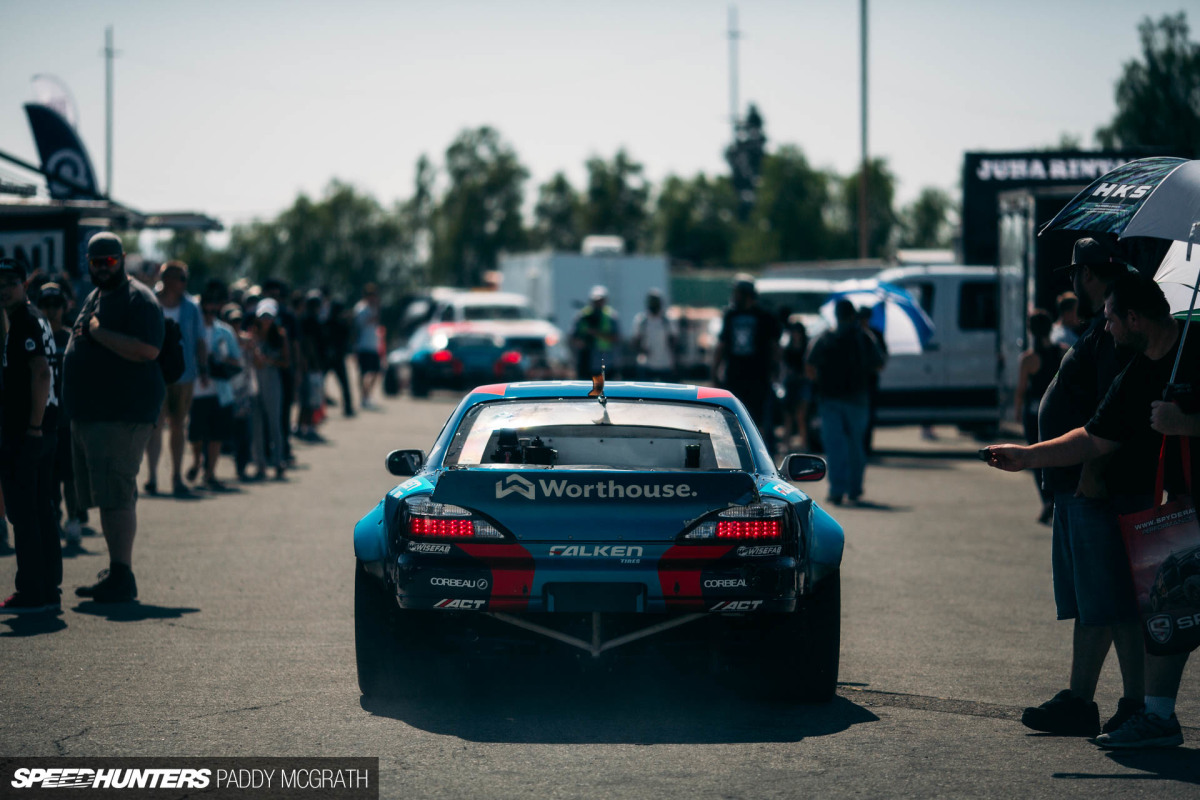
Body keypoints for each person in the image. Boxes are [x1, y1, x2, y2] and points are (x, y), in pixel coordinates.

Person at [986, 271, 1197, 749]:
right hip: (1183, 510)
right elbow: (1094, 437)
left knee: (1170, 612)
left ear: (1135, 317)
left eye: (1112, 320)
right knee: (1170, 613)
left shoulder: (1196, 348)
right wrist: (1027, 455)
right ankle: (1159, 718)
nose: (1107, 330)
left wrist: (1187, 422)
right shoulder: (1143, 366)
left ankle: (1154, 714)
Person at [1013, 239, 1144, 738]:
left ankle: (1134, 705)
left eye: (1075, 274)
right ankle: (1080, 700)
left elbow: (1110, 412)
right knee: (1098, 602)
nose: (1071, 284)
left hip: (1095, 486)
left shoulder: (1113, 328)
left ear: (1088, 275)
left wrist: (1092, 472)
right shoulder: (1102, 325)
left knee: (1115, 600)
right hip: (1081, 484)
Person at [65, 233, 165, 603]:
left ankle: (122, 576)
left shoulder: (138, 298)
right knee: (108, 495)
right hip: (93, 415)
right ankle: (116, 570)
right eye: (95, 262)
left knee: (117, 494)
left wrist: (98, 333)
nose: (102, 267)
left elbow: (148, 349)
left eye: (108, 261)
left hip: (122, 415)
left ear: (122, 259)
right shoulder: (97, 293)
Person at [0, 258, 62, 613]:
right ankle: (48, 587)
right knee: (41, 509)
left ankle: (32, 590)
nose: (4, 288)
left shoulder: (25, 319)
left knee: (25, 512)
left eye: (10, 281)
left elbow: (41, 373)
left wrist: (34, 427)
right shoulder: (33, 317)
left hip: (30, 430)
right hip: (42, 428)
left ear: (24, 285)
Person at [807, 299, 884, 506]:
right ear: (853, 315)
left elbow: (810, 364)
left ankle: (836, 490)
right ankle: (854, 489)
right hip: (858, 398)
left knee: (834, 446)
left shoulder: (825, 337)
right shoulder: (864, 337)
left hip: (829, 398)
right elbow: (879, 365)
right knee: (855, 445)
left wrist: (821, 383)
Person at [144, 260, 206, 498]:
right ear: (166, 278)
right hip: (153, 373)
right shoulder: (149, 301)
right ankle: (151, 476)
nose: (184, 283)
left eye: (184, 278)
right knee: (155, 425)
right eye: (180, 278)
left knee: (179, 425)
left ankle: (177, 476)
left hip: (184, 374)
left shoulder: (192, 307)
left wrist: (204, 368)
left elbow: (200, 339)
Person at [36, 283, 84, 547]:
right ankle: (53, 517)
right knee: (48, 476)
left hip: (68, 418)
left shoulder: (71, 338)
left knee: (71, 475)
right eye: (46, 304)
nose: (52, 310)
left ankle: (75, 518)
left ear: (65, 307)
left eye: (56, 304)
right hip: (42, 419)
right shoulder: (35, 336)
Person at [713, 276, 781, 453]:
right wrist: (714, 372)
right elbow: (722, 344)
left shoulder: (765, 316)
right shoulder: (730, 315)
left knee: (759, 421)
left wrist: (775, 370)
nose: (734, 296)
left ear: (746, 295)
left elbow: (774, 346)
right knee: (733, 419)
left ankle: (761, 455)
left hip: (758, 377)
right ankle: (736, 452)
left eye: (736, 293)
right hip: (734, 376)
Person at [185, 282, 242, 491]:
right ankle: (197, 462)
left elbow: (237, 361)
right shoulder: (191, 329)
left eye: (212, 306)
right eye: (205, 306)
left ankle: (210, 474)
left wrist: (219, 362)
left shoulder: (225, 332)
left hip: (220, 391)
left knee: (217, 435)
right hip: (197, 391)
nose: (209, 310)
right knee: (196, 434)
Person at [1013, 309, 1067, 525]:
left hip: (1033, 411)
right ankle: (1057, 497)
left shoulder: (1028, 359)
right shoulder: (1062, 352)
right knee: (1056, 454)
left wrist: (1017, 411)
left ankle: (1046, 500)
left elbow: (1021, 389)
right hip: (1056, 411)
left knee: (1035, 456)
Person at [252, 299, 289, 481]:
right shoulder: (253, 335)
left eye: (269, 316)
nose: (266, 320)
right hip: (254, 381)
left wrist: (269, 360)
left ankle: (278, 461)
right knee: (256, 424)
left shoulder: (280, 336)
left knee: (274, 423)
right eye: (263, 316)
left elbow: (286, 362)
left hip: (272, 380)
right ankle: (260, 464)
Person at [572, 285, 621, 379]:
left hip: (606, 362)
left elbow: (616, 337)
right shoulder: (582, 316)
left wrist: (596, 333)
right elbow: (573, 337)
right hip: (586, 362)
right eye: (596, 301)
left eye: (600, 300)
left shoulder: (611, 316)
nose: (598, 303)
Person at [297, 290, 327, 442]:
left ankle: (301, 426)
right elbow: (309, 344)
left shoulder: (308, 319)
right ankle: (308, 427)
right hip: (311, 365)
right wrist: (312, 363)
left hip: (311, 364)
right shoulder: (310, 321)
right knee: (310, 398)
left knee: (308, 398)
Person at [858, 306, 888, 455]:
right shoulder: (854, 335)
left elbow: (882, 361)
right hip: (858, 383)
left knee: (868, 416)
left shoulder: (874, 335)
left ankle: (865, 447)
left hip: (868, 382)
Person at [781, 315, 812, 451]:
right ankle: (787, 444)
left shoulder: (807, 347)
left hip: (803, 382)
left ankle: (804, 444)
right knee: (788, 416)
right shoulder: (788, 349)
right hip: (791, 383)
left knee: (801, 416)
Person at [631, 288, 676, 382]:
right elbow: (635, 341)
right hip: (646, 364)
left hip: (665, 363)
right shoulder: (641, 320)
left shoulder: (667, 320)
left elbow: (673, 341)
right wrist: (642, 350)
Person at [353, 283, 382, 410]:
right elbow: (358, 324)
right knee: (363, 372)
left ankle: (367, 394)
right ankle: (362, 397)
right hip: (363, 345)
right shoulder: (361, 308)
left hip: (373, 345)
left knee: (376, 371)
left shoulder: (374, 308)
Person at [324, 298, 354, 417]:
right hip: (335, 357)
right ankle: (348, 408)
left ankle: (348, 408)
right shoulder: (340, 323)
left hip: (331, 357)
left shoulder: (328, 322)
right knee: (344, 384)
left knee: (343, 384)